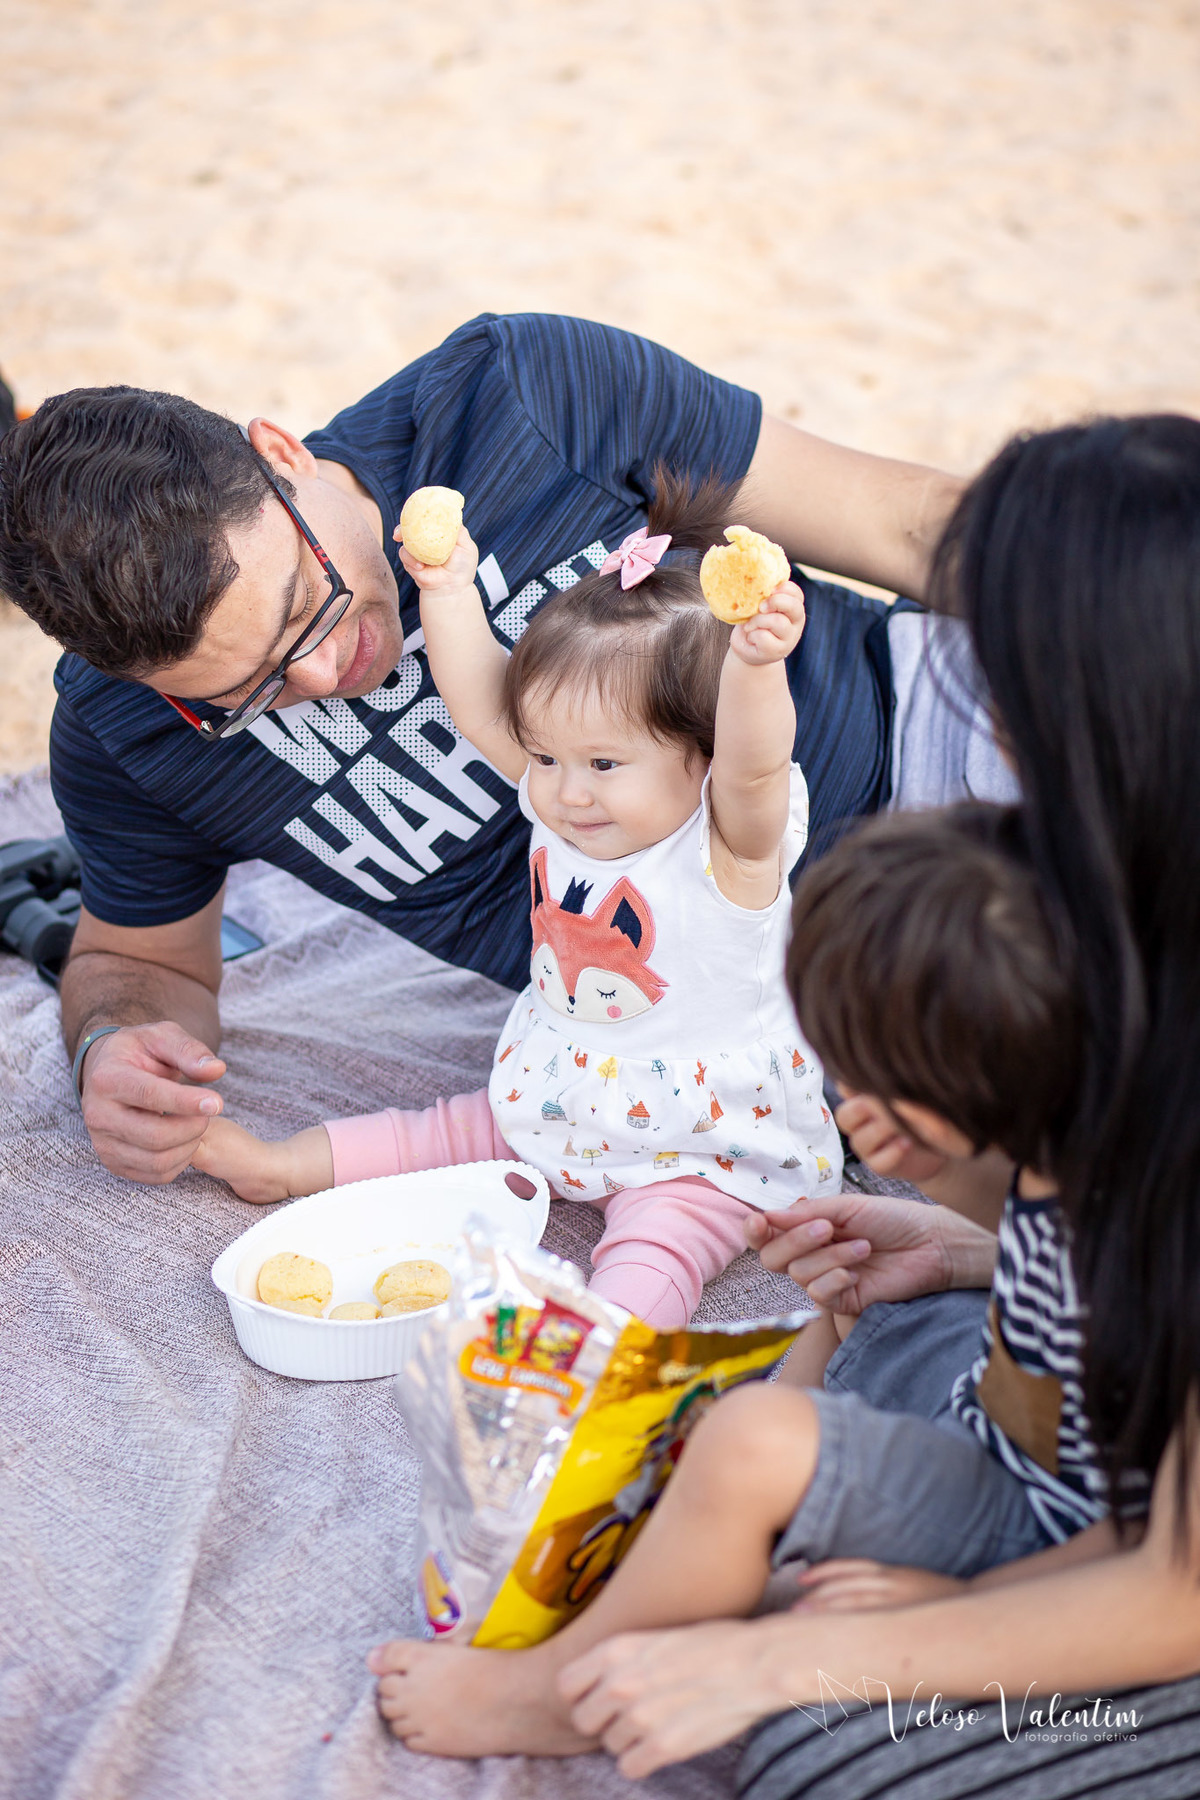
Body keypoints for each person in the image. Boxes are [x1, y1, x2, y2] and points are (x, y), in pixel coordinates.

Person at [508, 414, 1200, 1794]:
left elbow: (1179, 1578)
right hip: (1104, 1461)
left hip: (1161, 1558)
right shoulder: (1112, 889)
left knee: (812, 1739)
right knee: (824, 1413)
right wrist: (971, 1247)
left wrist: (792, 1666)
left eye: (993, 645)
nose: (969, 683)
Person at [0, 313, 1006, 1188]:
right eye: (246, 693)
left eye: (310, 606)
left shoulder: (520, 392)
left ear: (282, 454)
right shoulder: (119, 738)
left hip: (926, 732)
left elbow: (908, 525)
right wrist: (113, 1047)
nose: (323, 674)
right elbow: (139, 961)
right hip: (763, 998)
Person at [366, 800, 1140, 1755]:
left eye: (862, 1086)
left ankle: (557, 1699)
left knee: (756, 1444)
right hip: (1021, 1431)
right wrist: (951, 1238)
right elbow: (1053, 1257)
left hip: (1065, 1545)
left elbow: (1152, 1552)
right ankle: (722, 1533)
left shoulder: (1159, 1235)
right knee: (852, 1293)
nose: (849, 1111)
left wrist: (965, 1603)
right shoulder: (1084, 1146)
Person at [192, 471, 842, 1327]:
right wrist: (450, 588)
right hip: (557, 1094)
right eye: (548, 758)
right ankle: (283, 1165)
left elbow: (756, 765)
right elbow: (485, 707)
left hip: (697, 1141)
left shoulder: (731, 849)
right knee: (446, 1131)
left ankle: (601, 1341)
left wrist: (756, 667)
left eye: (604, 765)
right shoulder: (562, 798)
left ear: (703, 752)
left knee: (661, 1241)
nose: (567, 793)